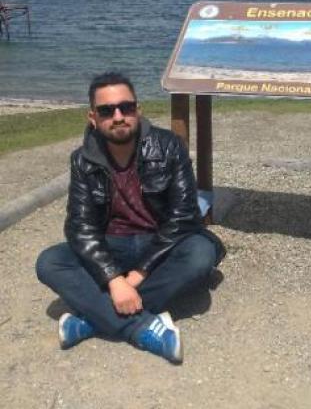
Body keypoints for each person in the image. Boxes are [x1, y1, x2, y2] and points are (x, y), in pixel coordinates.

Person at [36, 71, 225, 364]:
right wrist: (114, 279)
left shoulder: (169, 146)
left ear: (138, 109)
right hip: (112, 245)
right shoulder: (82, 160)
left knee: (200, 254)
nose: (118, 116)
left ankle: (93, 319)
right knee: (50, 262)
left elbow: (184, 215)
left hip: (161, 244)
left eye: (126, 107)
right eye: (107, 110)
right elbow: (80, 227)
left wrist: (136, 276)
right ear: (93, 117)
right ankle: (143, 327)